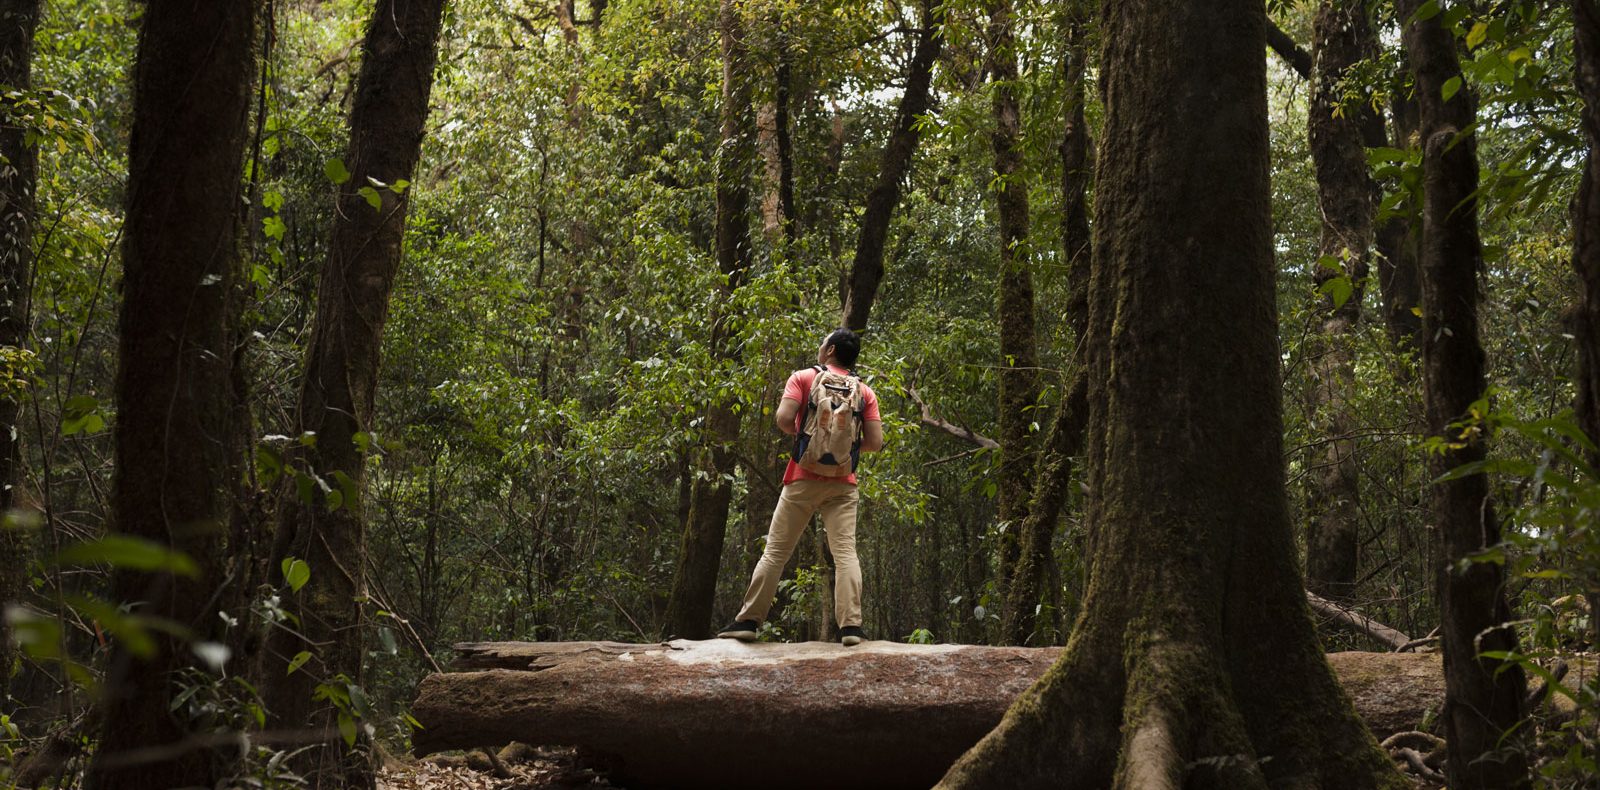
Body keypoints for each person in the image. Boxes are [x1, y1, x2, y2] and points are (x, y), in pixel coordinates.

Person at [717, 328, 885, 646]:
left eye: (823, 344)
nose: (820, 347)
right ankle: (850, 628)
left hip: (802, 477)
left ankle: (749, 621)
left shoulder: (804, 378)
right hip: (843, 484)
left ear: (831, 350)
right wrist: (843, 449)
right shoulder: (865, 391)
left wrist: (809, 442)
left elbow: (783, 419)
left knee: (776, 552)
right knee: (845, 552)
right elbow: (875, 443)